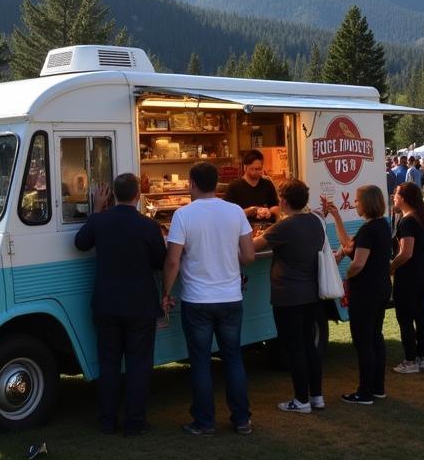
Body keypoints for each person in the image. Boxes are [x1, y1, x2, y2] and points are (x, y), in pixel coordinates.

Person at [163, 162, 255, 436]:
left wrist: (165, 293)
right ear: (217, 184)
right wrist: (229, 257)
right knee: (233, 358)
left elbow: (172, 261)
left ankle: (205, 422)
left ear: (191, 183)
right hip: (230, 297)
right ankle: (241, 419)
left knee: (201, 362)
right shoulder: (235, 211)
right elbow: (249, 256)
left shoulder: (183, 215)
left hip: (198, 299)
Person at [74, 173, 166, 436]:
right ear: (138, 195)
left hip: (107, 303)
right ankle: (135, 422)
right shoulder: (148, 226)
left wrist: (95, 210)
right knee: (139, 365)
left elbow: (80, 243)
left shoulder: (100, 221)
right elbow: (160, 261)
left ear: (112, 194)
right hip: (140, 303)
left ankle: (107, 420)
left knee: (109, 363)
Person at [253, 178, 326, 412]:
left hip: (288, 296)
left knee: (294, 349)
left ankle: (301, 399)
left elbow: (254, 246)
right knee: (309, 347)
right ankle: (316, 396)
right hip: (312, 293)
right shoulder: (315, 221)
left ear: (283, 201)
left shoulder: (285, 226)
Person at [324, 184, 393, 403]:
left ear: (366, 202)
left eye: (357, 200)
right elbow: (348, 245)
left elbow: (358, 262)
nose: (354, 204)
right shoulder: (380, 225)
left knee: (364, 342)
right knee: (375, 337)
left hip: (366, 291)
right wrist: (336, 217)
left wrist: (348, 276)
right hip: (381, 288)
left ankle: (364, 392)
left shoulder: (369, 230)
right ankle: (377, 388)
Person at [389, 181, 424, 374]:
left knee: (406, 317)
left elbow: (406, 252)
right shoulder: (423, 218)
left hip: (409, 275)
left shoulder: (407, 221)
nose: (393, 198)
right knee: (421, 316)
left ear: (404, 198)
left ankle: (410, 360)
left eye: (396, 195)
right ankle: (420, 357)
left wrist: (390, 268)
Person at [223, 149, 279, 223]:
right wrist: (248, 212)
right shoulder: (234, 187)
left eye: (260, 168)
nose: (258, 172)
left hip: (266, 228)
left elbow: (276, 207)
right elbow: (227, 215)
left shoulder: (267, 184)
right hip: (244, 230)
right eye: (254, 169)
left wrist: (269, 211)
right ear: (245, 168)